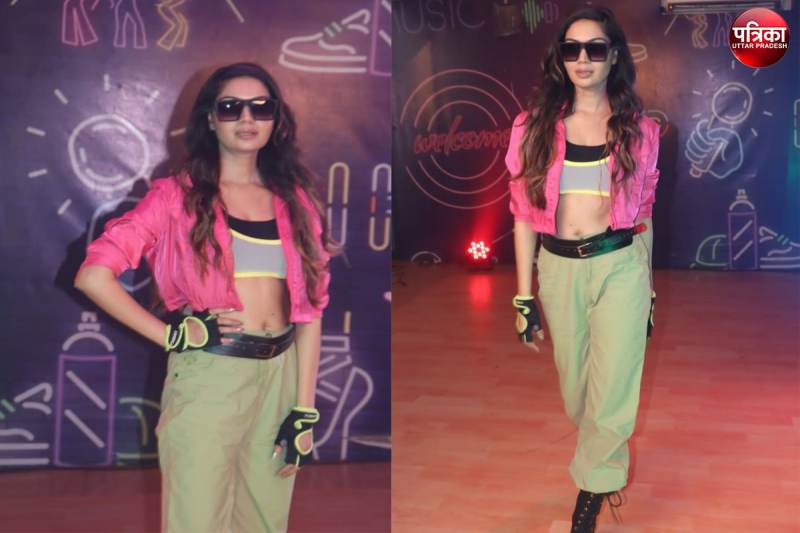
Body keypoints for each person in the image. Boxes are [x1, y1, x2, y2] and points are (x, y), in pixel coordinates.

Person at [74, 62, 332, 533]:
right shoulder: (176, 197)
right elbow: (93, 276)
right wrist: (172, 336)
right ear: (211, 119)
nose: (247, 118)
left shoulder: (295, 200)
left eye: (261, 107)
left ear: (275, 118)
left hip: (281, 376)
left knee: (265, 522)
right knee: (196, 521)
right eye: (231, 107)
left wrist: (304, 408)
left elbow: (310, 309)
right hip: (211, 377)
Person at [505, 7, 660, 532]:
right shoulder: (531, 127)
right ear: (560, 58)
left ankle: (592, 489)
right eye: (572, 48)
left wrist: (648, 291)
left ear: (613, 56)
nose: (583, 59)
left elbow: (644, 214)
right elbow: (522, 215)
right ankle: (600, 457)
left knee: (613, 387)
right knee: (577, 391)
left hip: (620, 265)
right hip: (558, 268)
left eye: (595, 48)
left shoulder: (640, 130)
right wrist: (523, 296)